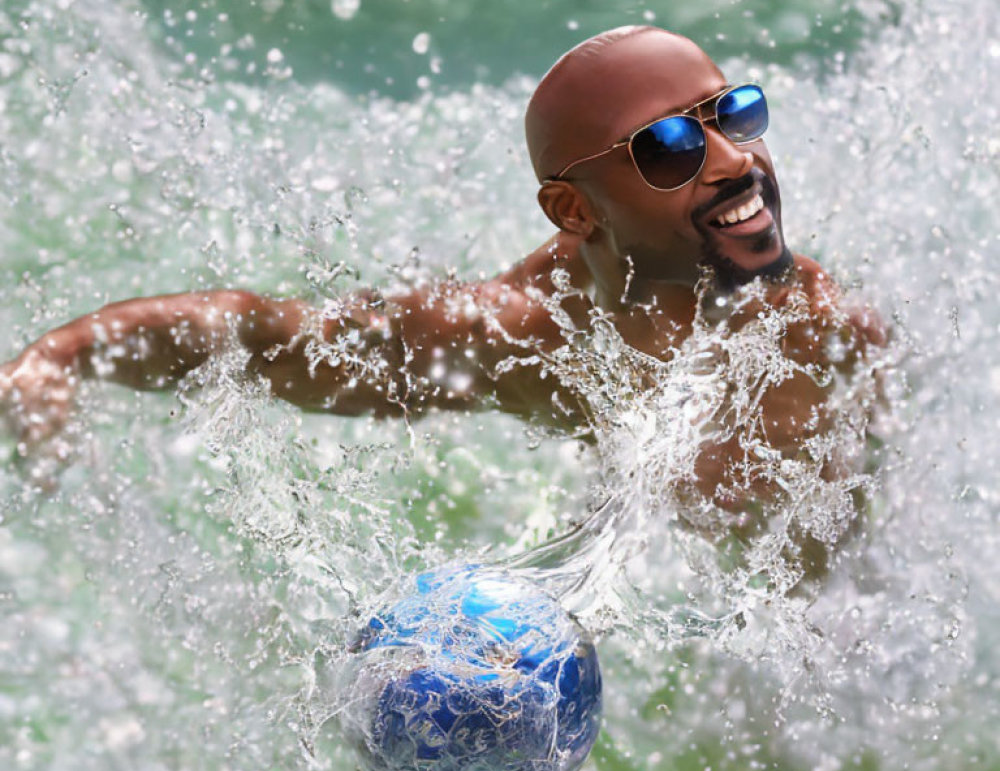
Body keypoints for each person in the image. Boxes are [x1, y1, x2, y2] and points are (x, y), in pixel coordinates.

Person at [0, 26, 884, 521]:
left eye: (735, 113)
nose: (735, 159)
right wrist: (64, 355)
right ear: (574, 214)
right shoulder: (525, 333)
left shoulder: (835, 329)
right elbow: (279, 341)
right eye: (671, 147)